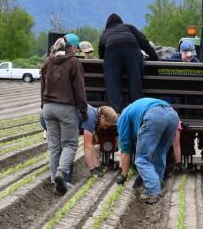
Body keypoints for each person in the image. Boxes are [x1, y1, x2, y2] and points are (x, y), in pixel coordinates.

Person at [41, 34, 89, 196]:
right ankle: (62, 173)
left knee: (54, 146)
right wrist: (83, 110)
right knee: (69, 144)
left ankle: (55, 182)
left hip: (48, 108)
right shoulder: (73, 62)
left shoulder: (48, 60)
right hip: (66, 108)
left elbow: (42, 85)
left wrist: (43, 105)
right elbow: (79, 89)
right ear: (73, 47)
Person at [115, 97, 179, 204]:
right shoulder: (136, 108)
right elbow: (151, 148)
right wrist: (144, 174)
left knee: (141, 159)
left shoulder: (123, 117)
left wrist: (124, 175)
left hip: (154, 115)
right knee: (160, 153)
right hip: (172, 115)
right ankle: (158, 184)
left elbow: (125, 149)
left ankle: (153, 190)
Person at [40, 104, 118, 183]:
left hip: (50, 113)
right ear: (102, 117)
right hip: (50, 118)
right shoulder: (91, 118)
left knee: (65, 149)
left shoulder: (95, 114)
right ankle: (65, 181)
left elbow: (91, 145)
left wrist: (96, 167)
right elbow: (87, 146)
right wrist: (92, 169)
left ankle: (61, 180)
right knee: (67, 149)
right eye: (106, 125)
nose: (105, 128)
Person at [98, 13, 159, 113]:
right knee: (135, 81)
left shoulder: (105, 34)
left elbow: (102, 55)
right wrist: (155, 58)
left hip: (112, 51)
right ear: (121, 22)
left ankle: (116, 111)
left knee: (112, 82)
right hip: (132, 50)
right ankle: (137, 109)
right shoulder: (128, 27)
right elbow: (144, 43)